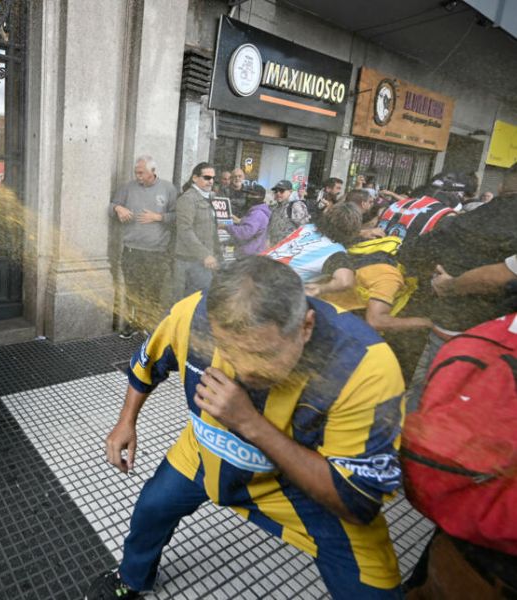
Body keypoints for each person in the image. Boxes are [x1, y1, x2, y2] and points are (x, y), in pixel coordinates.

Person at [84, 256, 407, 600]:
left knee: (374, 587)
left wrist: (250, 423)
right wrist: (125, 422)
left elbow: (357, 501)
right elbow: (147, 363)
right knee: (152, 507)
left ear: (306, 327)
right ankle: (131, 578)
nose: (243, 370)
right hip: (205, 452)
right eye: (226, 350)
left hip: (299, 487)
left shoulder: (364, 366)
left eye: (263, 354)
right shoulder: (192, 315)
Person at [398, 162, 517, 412]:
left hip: (449, 330)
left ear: (505, 182)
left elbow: (413, 253)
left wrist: (445, 282)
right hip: (502, 344)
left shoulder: (466, 220)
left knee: (425, 402)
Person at [110, 156, 178, 337]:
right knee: (133, 290)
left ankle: (150, 325)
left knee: (153, 291)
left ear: (152, 172)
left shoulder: (168, 189)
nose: (138, 176)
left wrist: (159, 217)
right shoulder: (128, 188)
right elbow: (111, 206)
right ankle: (134, 324)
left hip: (156, 252)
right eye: (136, 172)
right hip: (131, 250)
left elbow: (178, 216)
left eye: (141, 173)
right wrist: (118, 209)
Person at [264, 202, 362, 288]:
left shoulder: (308, 228)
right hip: (273, 287)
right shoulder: (336, 252)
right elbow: (345, 282)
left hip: (257, 266)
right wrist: (319, 289)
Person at [173, 162, 219, 300]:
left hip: (204, 262)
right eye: (206, 177)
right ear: (195, 178)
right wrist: (205, 254)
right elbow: (185, 230)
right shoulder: (188, 199)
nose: (210, 181)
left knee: (201, 305)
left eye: (212, 178)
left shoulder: (208, 197)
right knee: (190, 306)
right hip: (190, 262)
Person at [223, 183, 270, 257]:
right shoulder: (256, 211)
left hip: (251, 257)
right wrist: (240, 221)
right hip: (251, 253)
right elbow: (254, 227)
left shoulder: (257, 214)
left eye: (252, 194)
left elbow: (245, 233)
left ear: (260, 197)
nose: (248, 196)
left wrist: (225, 226)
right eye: (247, 194)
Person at [266, 179, 309, 246]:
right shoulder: (274, 208)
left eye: (281, 191)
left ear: (290, 192)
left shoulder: (295, 206)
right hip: (273, 248)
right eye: (276, 191)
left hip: (288, 249)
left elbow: (304, 229)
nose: (278, 193)